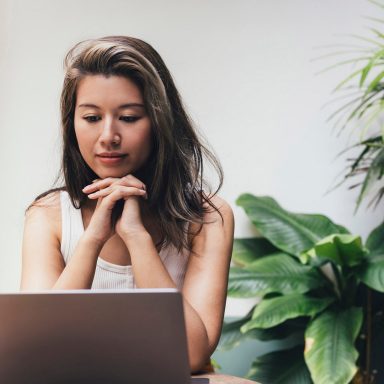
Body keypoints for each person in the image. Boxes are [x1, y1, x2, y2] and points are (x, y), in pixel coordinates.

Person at [20, 36, 234, 373]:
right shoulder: (47, 216)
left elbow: (191, 356)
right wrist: (92, 241)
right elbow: (41, 348)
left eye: (129, 118)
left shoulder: (207, 217)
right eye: (91, 118)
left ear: (161, 122)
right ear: (71, 123)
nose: (108, 136)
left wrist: (137, 238)